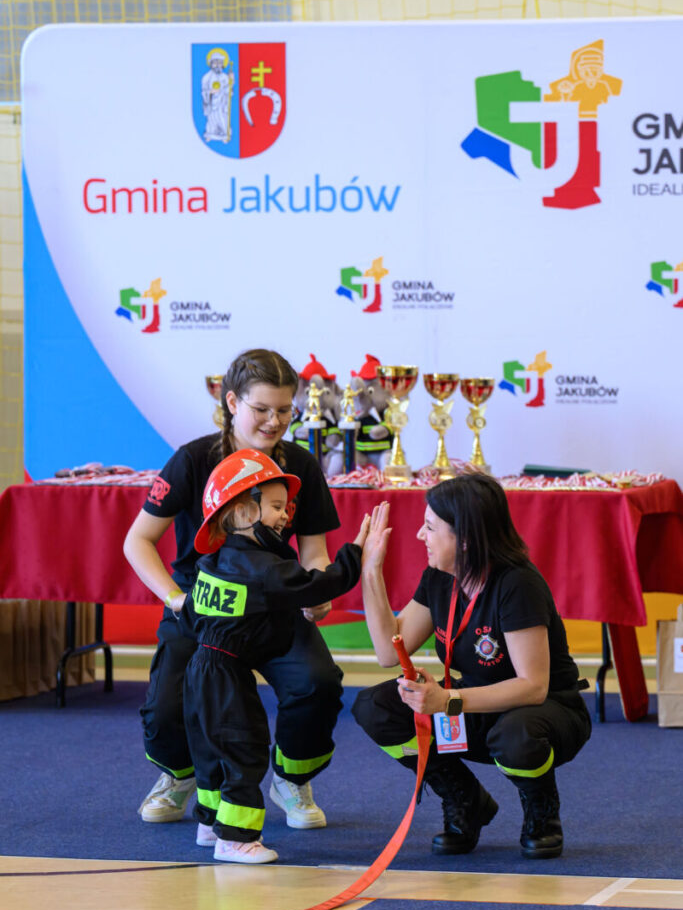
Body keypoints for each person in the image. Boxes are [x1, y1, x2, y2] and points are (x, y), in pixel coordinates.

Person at [124, 348, 344, 831]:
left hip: (273, 606)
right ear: (231, 402)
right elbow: (137, 541)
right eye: (262, 409)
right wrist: (175, 599)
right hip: (201, 607)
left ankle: (290, 780)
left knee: (319, 684)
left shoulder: (303, 466)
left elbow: (314, 553)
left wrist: (317, 593)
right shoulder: (192, 459)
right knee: (163, 710)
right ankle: (178, 777)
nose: (274, 421)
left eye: (285, 410)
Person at [352, 473, 592, 859]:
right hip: (474, 705)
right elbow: (387, 650)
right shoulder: (439, 576)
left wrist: (447, 699)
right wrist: (371, 571)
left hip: (544, 712)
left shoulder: (517, 584)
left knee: (516, 734)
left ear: (464, 539)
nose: (419, 535)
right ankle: (465, 800)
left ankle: (541, 812)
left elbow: (533, 687)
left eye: (430, 527)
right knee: (375, 707)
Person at [180, 448, 367, 863]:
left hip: (199, 670)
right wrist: (356, 555)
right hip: (227, 676)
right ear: (244, 512)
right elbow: (318, 584)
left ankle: (210, 824)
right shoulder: (265, 569)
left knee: (211, 750)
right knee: (244, 748)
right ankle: (236, 838)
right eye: (277, 507)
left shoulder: (213, 561)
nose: (286, 517)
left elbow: (191, 615)